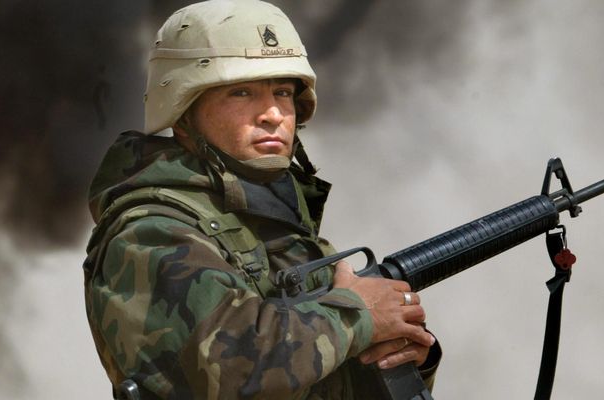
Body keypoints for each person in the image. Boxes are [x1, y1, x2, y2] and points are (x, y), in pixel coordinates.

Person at [83, 1, 441, 398]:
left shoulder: (273, 220)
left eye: (283, 92)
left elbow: (318, 377)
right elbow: (235, 367)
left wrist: (401, 354)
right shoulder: (150, 232)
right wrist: (359, 316)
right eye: (242, 92)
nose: (273, 113)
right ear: (183, 109)